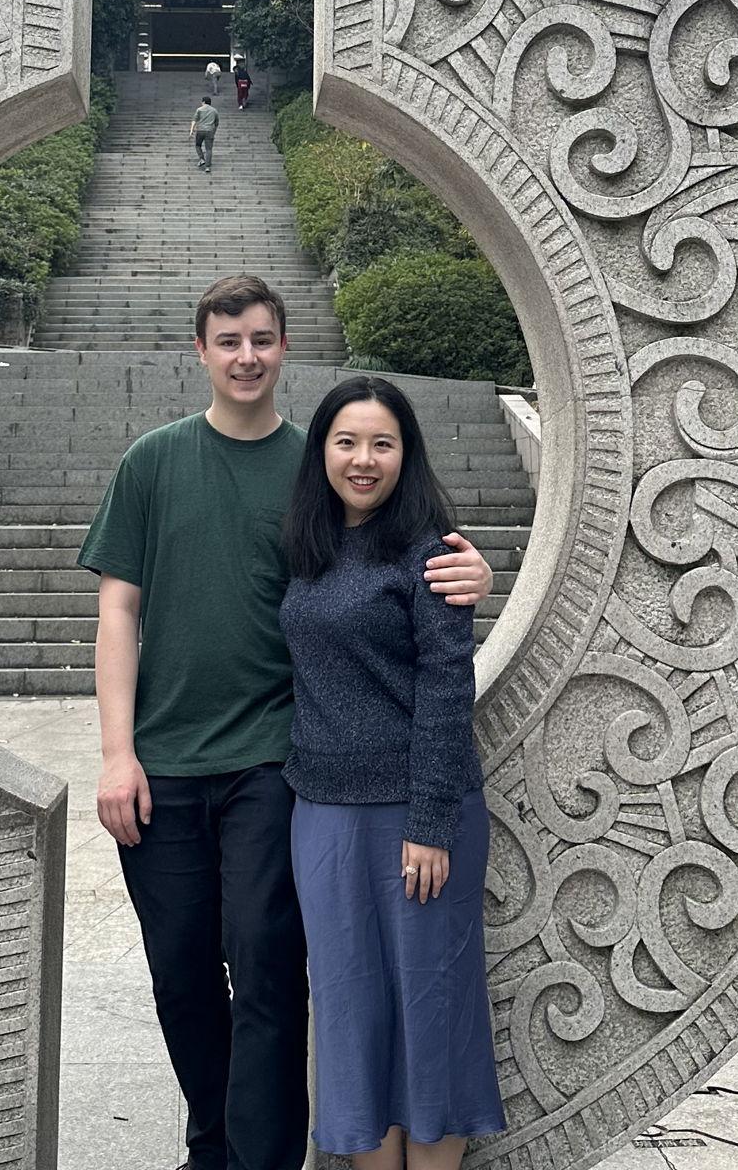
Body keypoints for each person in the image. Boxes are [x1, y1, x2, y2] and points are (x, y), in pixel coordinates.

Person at [78, 278, 493, 1170]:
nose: (246, 356)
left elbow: (393, 547)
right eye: (228, 341)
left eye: (262, 339)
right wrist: (117, 755)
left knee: (268, 972)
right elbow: (118, 612)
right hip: (162, 763)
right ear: (200, 351)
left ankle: (261, 1161)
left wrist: (469, 575)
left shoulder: (316, 464)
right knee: (181, 976)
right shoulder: (152, 462)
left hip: (276, 764)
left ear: (283, 347)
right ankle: (212, 1147)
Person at [280, 376, 505, 1169]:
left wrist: (429, 824)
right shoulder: (306, 546)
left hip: (418, 818)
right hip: (323, 816)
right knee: (349, 1009)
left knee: (429, 1009)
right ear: (323, 452)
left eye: (383, 443)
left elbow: (449, 685)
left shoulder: (432, 553)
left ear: (406, 455)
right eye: (347, 442)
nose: (364, 459)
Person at [190, 93, 219, 173]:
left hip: (200, 130)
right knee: (209, 149)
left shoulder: (199, 109)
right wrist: (214, 131)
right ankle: (207, 167)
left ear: (203, 102)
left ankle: (202, 159)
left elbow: (194, 120)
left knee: (198, 145)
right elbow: (216, 123)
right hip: (210, 131)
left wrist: (191, 130)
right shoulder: (214, 110)